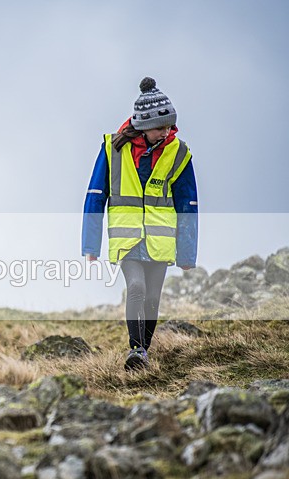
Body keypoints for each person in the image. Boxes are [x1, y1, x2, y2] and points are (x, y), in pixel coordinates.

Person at [82, 77, 198, 371]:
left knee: (153, 297)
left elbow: (188, 206)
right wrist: (90, 244)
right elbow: (96, 195)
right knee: (136, 287)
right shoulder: (112, 149)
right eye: (162, 127)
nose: (168, 132)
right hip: (128, 239)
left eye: (170, 126)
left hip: (160, 240)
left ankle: (143, 351)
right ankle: (136, 350)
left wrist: (187, 254)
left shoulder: (179, 153)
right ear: (144, 125)